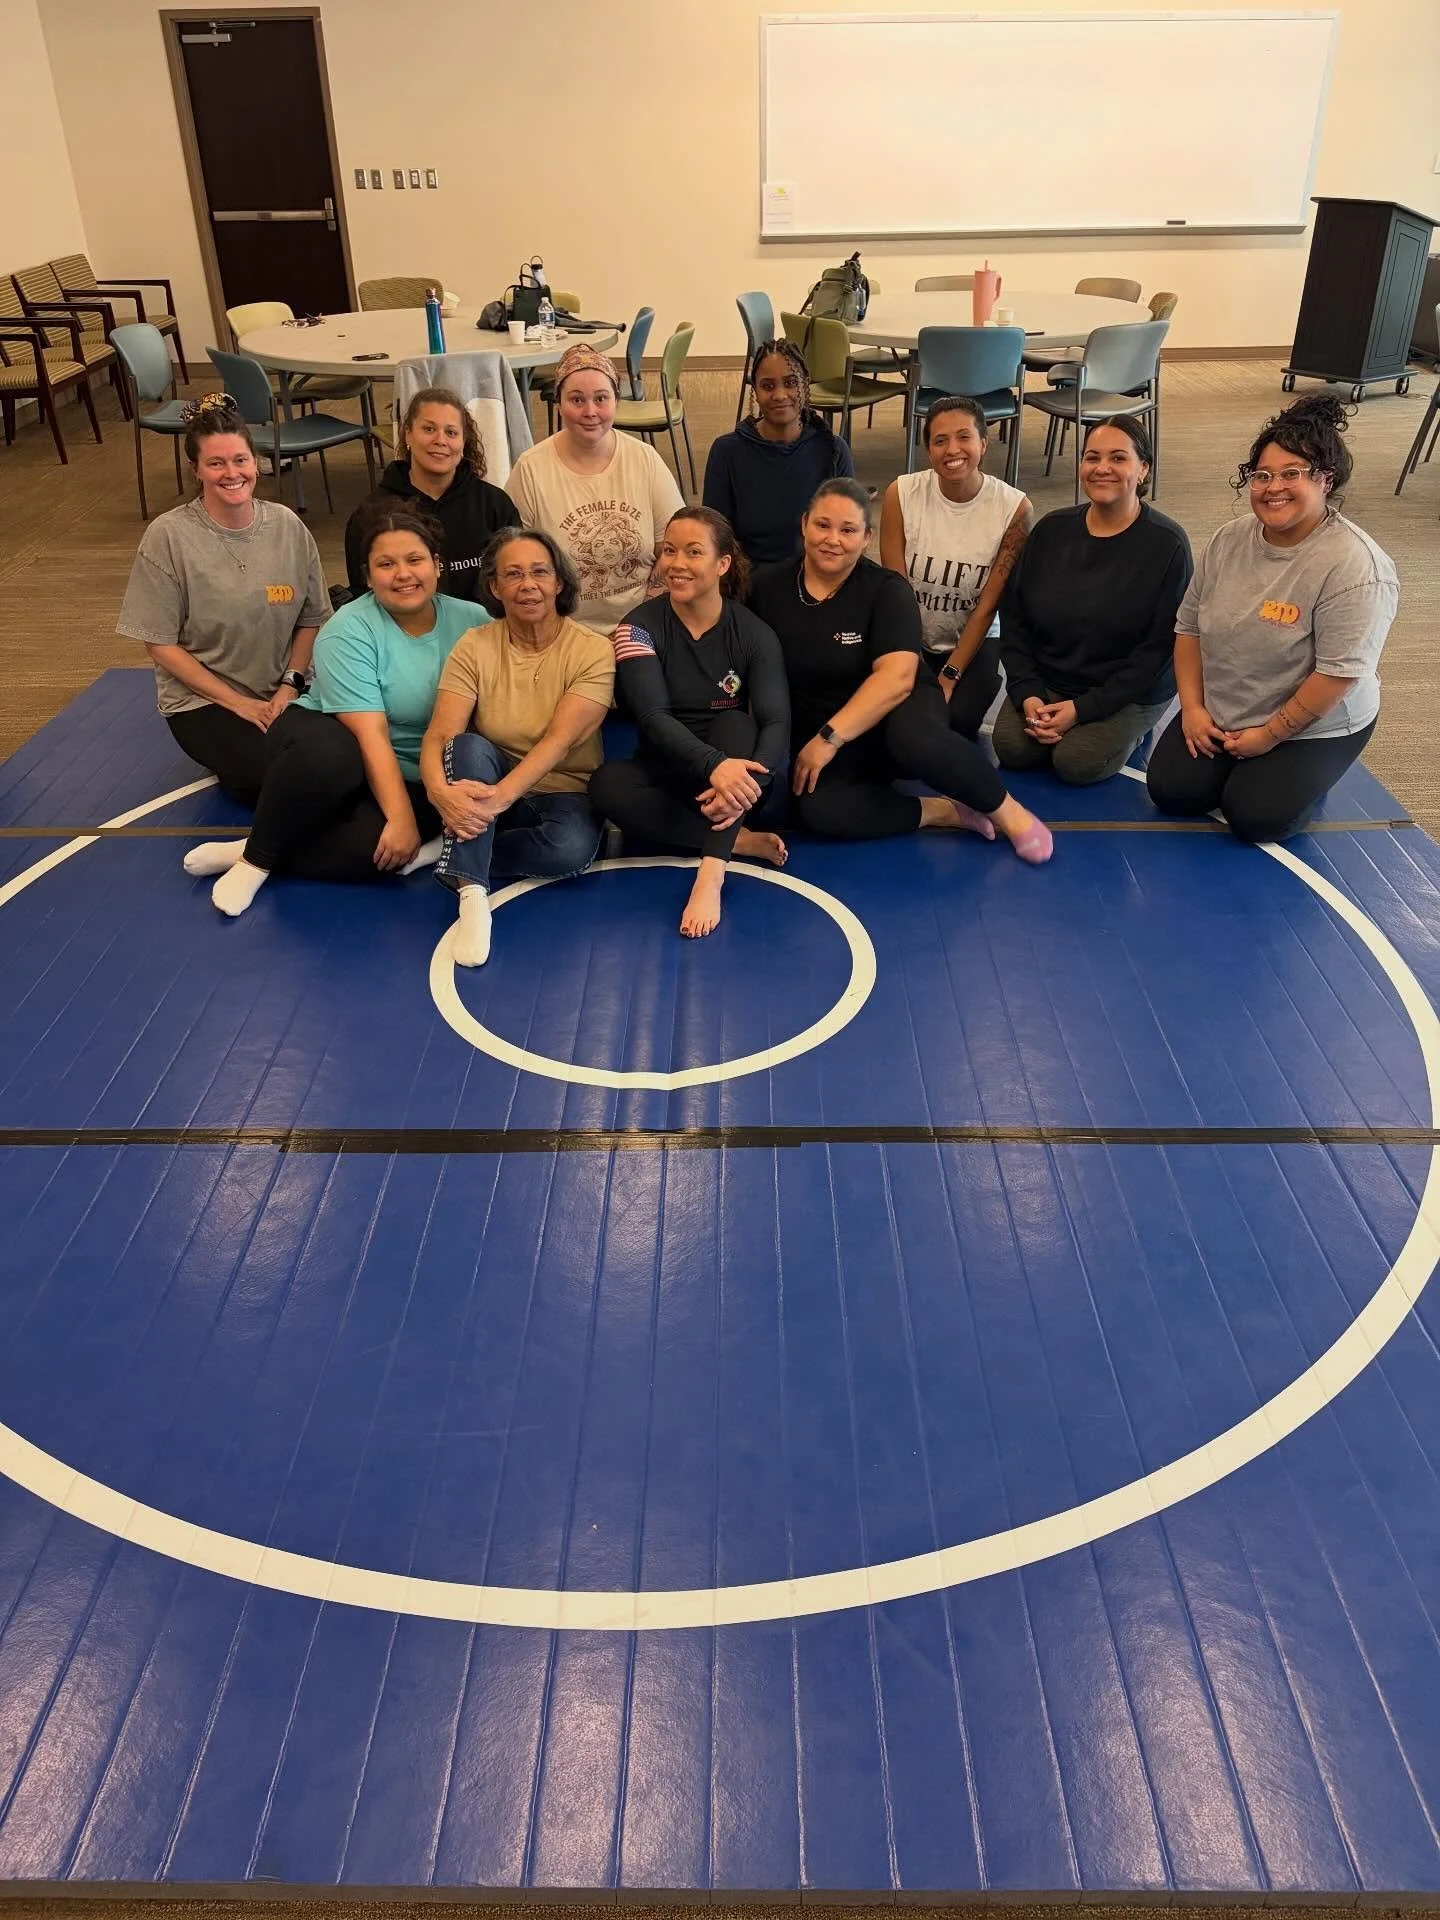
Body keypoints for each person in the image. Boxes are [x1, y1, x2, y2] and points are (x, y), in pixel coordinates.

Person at [183, 504, 484, 915]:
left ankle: (263, 842)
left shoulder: (474, 621)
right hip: (326, 745)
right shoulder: (348, 629)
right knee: (333, 759)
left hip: (415, 770)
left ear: (437, 565)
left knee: (377, 854)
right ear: (367, 576)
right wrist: (401, 818)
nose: (403, 574)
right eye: (386, 564)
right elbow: (370, 734)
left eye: (415, 560)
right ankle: (256, 860)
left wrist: (411, 818)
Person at [748, 480, 1052, 859]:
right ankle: (940, 811)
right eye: (822, 525)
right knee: (817, 812)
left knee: (916, 739)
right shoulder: (767, 586)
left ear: (866, 538)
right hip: (823, 727)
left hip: (895, 710)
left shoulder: (886, 590)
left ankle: (1008, 811)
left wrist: (827, 739)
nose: (832, 539)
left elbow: (896, 679)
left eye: (848, 530)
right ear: (804, 524)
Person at [1147, 394, 1397, 841]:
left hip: (1315, 724)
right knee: (1173, 791)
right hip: (1230, 707)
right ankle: (1254, 768)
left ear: (1325, 480)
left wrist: (1268, 736)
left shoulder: (1356, 567)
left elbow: (1337, 675)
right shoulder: (1228, 539)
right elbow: (1188, 629)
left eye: (1291, 474)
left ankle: (1302, 779)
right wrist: (1193, 709)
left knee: (1255, 816)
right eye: (1262, 475)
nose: (1272, 487)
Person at [116, 393, 330, 800]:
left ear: (256, 463)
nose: (231, 473)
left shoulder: (287, 526)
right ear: (196, 469)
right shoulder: (168, 536)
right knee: (286, 781)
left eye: (240, 460)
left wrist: (289, 687)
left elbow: (311, 619)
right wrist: (239, 704)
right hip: (204, 703)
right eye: (216, 463)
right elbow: (159, 645)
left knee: (341, 764)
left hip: (284, 691)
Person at [590, 508, 790, 938]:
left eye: (693, 552)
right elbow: (651, 717)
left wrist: (746, 779)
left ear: (722, 564)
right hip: (672, 766)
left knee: (736, 725)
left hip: (736, 776)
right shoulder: (637, 628)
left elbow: (776, 721)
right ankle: (736, 840)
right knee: (606, 786)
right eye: (669, 551)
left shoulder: (754, 633)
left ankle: (711, 873)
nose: (676, 563)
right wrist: (713, 766)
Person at [421, 529, 615, 967]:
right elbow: (440, 734)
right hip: (489, 776)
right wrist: (440, 794)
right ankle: (472, 894)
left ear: (558, 582)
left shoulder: (592, 651)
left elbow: (560, 741)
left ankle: (456, 847)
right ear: (495, 587)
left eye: (539, 572)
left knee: (571, 852)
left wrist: (486, 808)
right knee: (467, 746)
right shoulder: (475, 645)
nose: (528, 584)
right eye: (513, 574)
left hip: (562, 788)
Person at [995, 417, 1192, 784]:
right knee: (1012, 748)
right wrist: (1028, 692)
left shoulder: (1168, 546)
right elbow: (1015, 618)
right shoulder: (1051, 531)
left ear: (1143, 469)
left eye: (1118, 458)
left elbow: (1157, 650)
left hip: (1127, 689)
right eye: (1092, 457)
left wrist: (1084, 709)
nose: (1102, 468)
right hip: (1055, 678)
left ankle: (1133, 730)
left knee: (1077, 762)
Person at [879, 394, 1032, 738]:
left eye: (964, 437)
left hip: (972, 640)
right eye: (940, 440)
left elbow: (989, 605)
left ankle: (983, 681)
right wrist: (912, 668)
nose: (952, 450)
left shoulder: (1015, 509)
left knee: (956, 722)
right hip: (911, 636)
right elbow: (896, 591)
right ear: (928, 449)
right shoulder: (900, 494)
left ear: (983, 443)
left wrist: (950, 675)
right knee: (896, 722)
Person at [504, 343, 684, 634]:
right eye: (576, 400)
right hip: (563, 630)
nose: (590, 411)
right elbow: (511, 557)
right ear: (559, 404)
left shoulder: (644, 459)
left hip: (644, 622)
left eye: (601, 398)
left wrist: (650, 613)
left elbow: (675, 546)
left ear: (616, 401)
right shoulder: (531, 469)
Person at [342, 385, 520, 603]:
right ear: (408, 434)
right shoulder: (371, 514)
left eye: (451, 432)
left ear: (463, 441)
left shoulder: (494, 505)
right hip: (402, 633)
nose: (441, 440)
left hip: (487, 629)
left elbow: (516, 578)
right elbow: (364, 595)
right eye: (428, 429)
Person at [702, 339, 855, 566]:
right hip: (751, 584)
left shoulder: (832, 451)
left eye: (791, 383)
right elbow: (715, 540)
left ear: (805, 384)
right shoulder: (727, 452)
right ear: (755, 390)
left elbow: (848, 535)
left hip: (817, 578)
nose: (780, 395)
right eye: (768, 386)